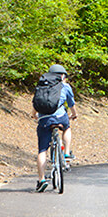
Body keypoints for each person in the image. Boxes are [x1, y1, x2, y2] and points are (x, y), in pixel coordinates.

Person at [36, 64, 77, 192]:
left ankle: (42, 179)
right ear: (62, 76)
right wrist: (74, 115)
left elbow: (35, 104)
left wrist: (34, 116)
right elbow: (71, 104)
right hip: (60, 117)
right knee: (66, 127)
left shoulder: (42, 86)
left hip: (44, 120)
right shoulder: (65, 86)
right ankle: (66, 153)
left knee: (42, 150)